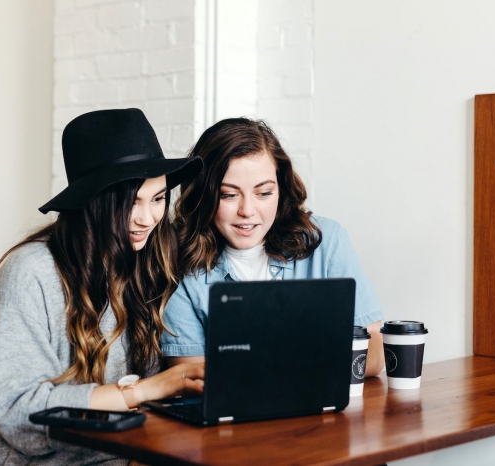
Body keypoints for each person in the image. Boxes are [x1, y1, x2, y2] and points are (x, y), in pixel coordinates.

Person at [0, 108, 204, 465]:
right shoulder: (31, 272)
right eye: (131, 202)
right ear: (94, 201)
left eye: (158, 199)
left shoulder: (146, 262)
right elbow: (20, 414)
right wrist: (142, 390)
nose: (147, 218)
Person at [161, 117, 385, 377]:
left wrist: (259, 365)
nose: (247, 211)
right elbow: (190, 377)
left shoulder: (326, 241)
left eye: (264, 193)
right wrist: (311, 355)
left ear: (281, 189)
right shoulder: (178, 262)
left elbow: (373, 355)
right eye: (228, 195)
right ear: (203, 195)